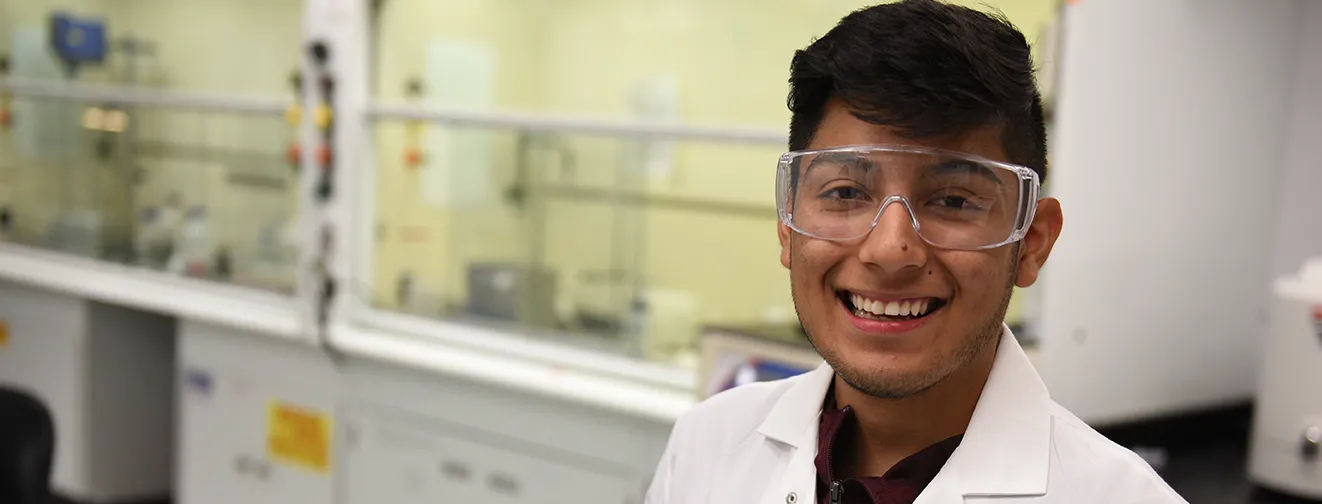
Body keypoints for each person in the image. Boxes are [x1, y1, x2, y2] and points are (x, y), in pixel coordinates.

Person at [644, 1, 1187, 503]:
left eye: (953, 200)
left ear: (1032, 244)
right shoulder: (707, 449)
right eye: (845, 193)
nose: (890, 249)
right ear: (788, 226)